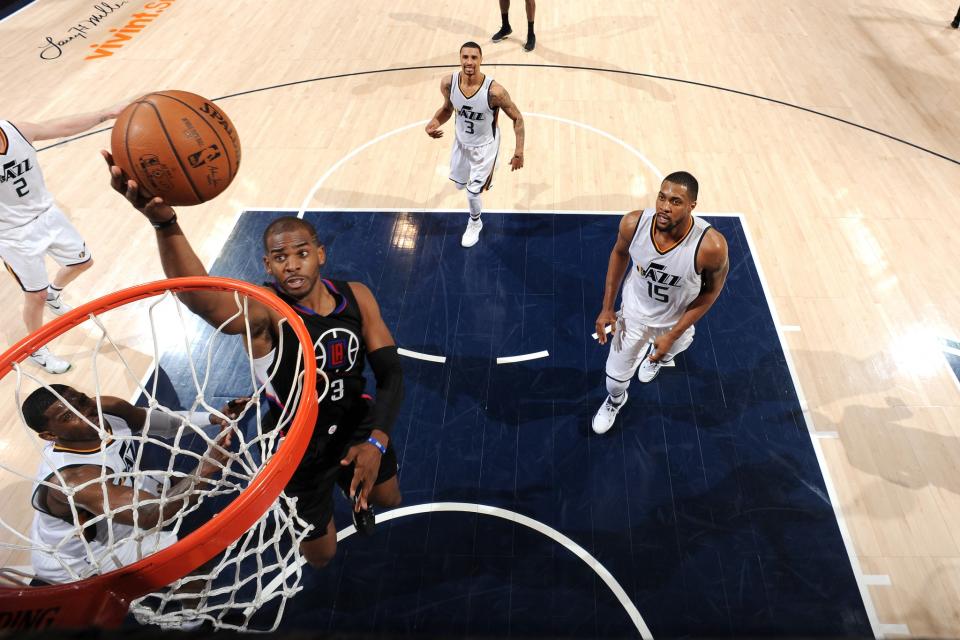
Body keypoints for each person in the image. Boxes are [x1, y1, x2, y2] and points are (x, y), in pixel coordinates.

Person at [102, 153, 405, 570]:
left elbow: (390, 373)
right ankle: (320, 502)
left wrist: (375, 442)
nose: (292, 264)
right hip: (300, 446)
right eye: (280, 258)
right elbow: (201, 300)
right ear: (267, 265)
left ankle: (358, 493)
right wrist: (165, 224)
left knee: (390, 497)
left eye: (301, 253)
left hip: (357, 421)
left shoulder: (357, 295)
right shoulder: (265, 314)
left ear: (320, 254)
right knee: (321, 556)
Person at [23, 384, 237, 584]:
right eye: (69, 416)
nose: (85, 411)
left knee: (176, 485)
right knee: (186, 562)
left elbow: (167, 424)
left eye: (81, 400)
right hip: (85, 554)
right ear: (49, 435)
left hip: (114, 504)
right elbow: (150, 515)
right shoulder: (74, 479)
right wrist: (205, 468)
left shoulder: (109, 410)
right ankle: (191, 619)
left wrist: (214, 417)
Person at [592, 172, 730, 435]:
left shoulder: (711, 247)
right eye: (661, 197)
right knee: (613, 381)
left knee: (668, 350)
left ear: (692, 206)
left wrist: (673, 334)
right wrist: (608, 307)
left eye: (676, 201)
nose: (665, 207)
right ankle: (615, 401)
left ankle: (657, 359)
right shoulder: (634, 224)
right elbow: (619, 253)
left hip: (675, 323)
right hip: (634, 316)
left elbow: (711, 293)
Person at [0, 102, 128, 374]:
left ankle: (54, 295)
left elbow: (60, 126)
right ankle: (35, 348)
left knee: (83, 263)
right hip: (13, 235)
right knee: (34, 296)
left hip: (48, 215)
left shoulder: (16, 130)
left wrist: (106, 112)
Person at [425, 42, 525, 248]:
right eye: (465, 57)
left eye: (474, 57)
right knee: (460, 184)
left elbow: (518, 118)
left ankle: (475, 222)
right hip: (461, 143)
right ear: (460, 58)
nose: (469, 62)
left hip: (485, 147)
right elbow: (447, 108)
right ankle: (471, 192)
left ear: (481, 59)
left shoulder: (495, 92)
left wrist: (519, 151)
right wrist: (434, 122)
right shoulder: (448, 83)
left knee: (472, 192)